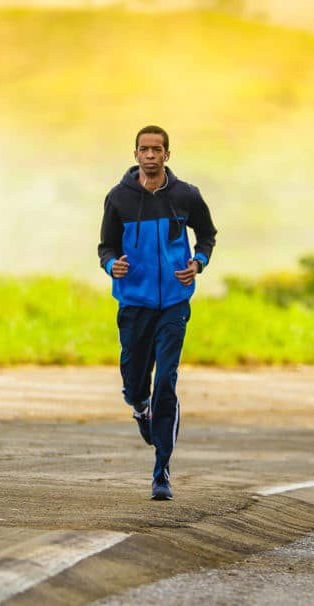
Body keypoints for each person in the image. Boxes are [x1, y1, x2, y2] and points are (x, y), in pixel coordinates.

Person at [97, 125, 218, 501]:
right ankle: (139, 406)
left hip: (174, 304)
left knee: (166, 378)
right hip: (134, 303)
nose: (150, 155)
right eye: (144, 149)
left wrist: (197, 263)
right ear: (135, 154)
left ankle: (161, 470)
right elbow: (105, 247)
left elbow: (208, 235)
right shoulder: (118, 198)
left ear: (168, 154)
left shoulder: (186, 195)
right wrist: (111, 264)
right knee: (136, 383)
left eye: (157, 149)